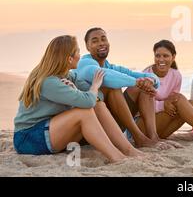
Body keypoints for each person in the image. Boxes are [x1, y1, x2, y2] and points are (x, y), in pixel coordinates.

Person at [13, 35, 143, 163]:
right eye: (78, 52)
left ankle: (128, 149)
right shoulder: (48, 82)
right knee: (85, 112)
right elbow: (88, 100)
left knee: (97, 105)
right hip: (28, 137)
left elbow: (98, 98)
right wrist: (95, 86)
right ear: (69, 58)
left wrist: (80, 91)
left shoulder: (69, 75)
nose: (80, 56)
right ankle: (117, 157)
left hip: (52, 131)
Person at [75, 27, 175, 149]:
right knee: (114, 87)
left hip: (112, 123)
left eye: (103, 39)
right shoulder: (84, 63)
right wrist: (136, 82)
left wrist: (150, 81)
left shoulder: (111, 67)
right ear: (88, 46)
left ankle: (153, 137)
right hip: (92, 127)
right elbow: (102, 75)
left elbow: (149, 76)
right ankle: (139, 138)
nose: (101, 43)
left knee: (143, 87)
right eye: (95, 41)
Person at [124, 40, 193, 144]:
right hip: (143, 126)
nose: (161, 59)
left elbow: (173, 101)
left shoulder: (176, 75)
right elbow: (143, 106)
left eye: (165, 56)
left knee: (192, 103)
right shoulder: (147, 76)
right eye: (157, 56)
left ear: (173, 57)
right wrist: (163, 104)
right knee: (180, 99)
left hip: (162, 129)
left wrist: (168, 104)